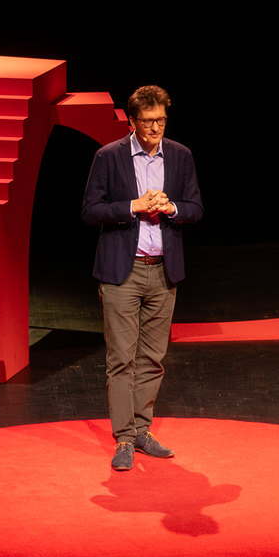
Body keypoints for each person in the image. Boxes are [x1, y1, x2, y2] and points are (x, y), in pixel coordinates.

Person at [82, 84, 203, 471]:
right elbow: (90, 210)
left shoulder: (180, 155)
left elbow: (196, 208)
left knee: (152, 358)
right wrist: (132, 206)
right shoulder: (109, 156)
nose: (156, 128)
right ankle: (123, 438)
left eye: (161, 120)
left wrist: (172, 207)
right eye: (148, 121)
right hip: (123, 271)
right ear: (132, 121)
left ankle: (142, 431)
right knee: (121, 359)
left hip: (163, 271)